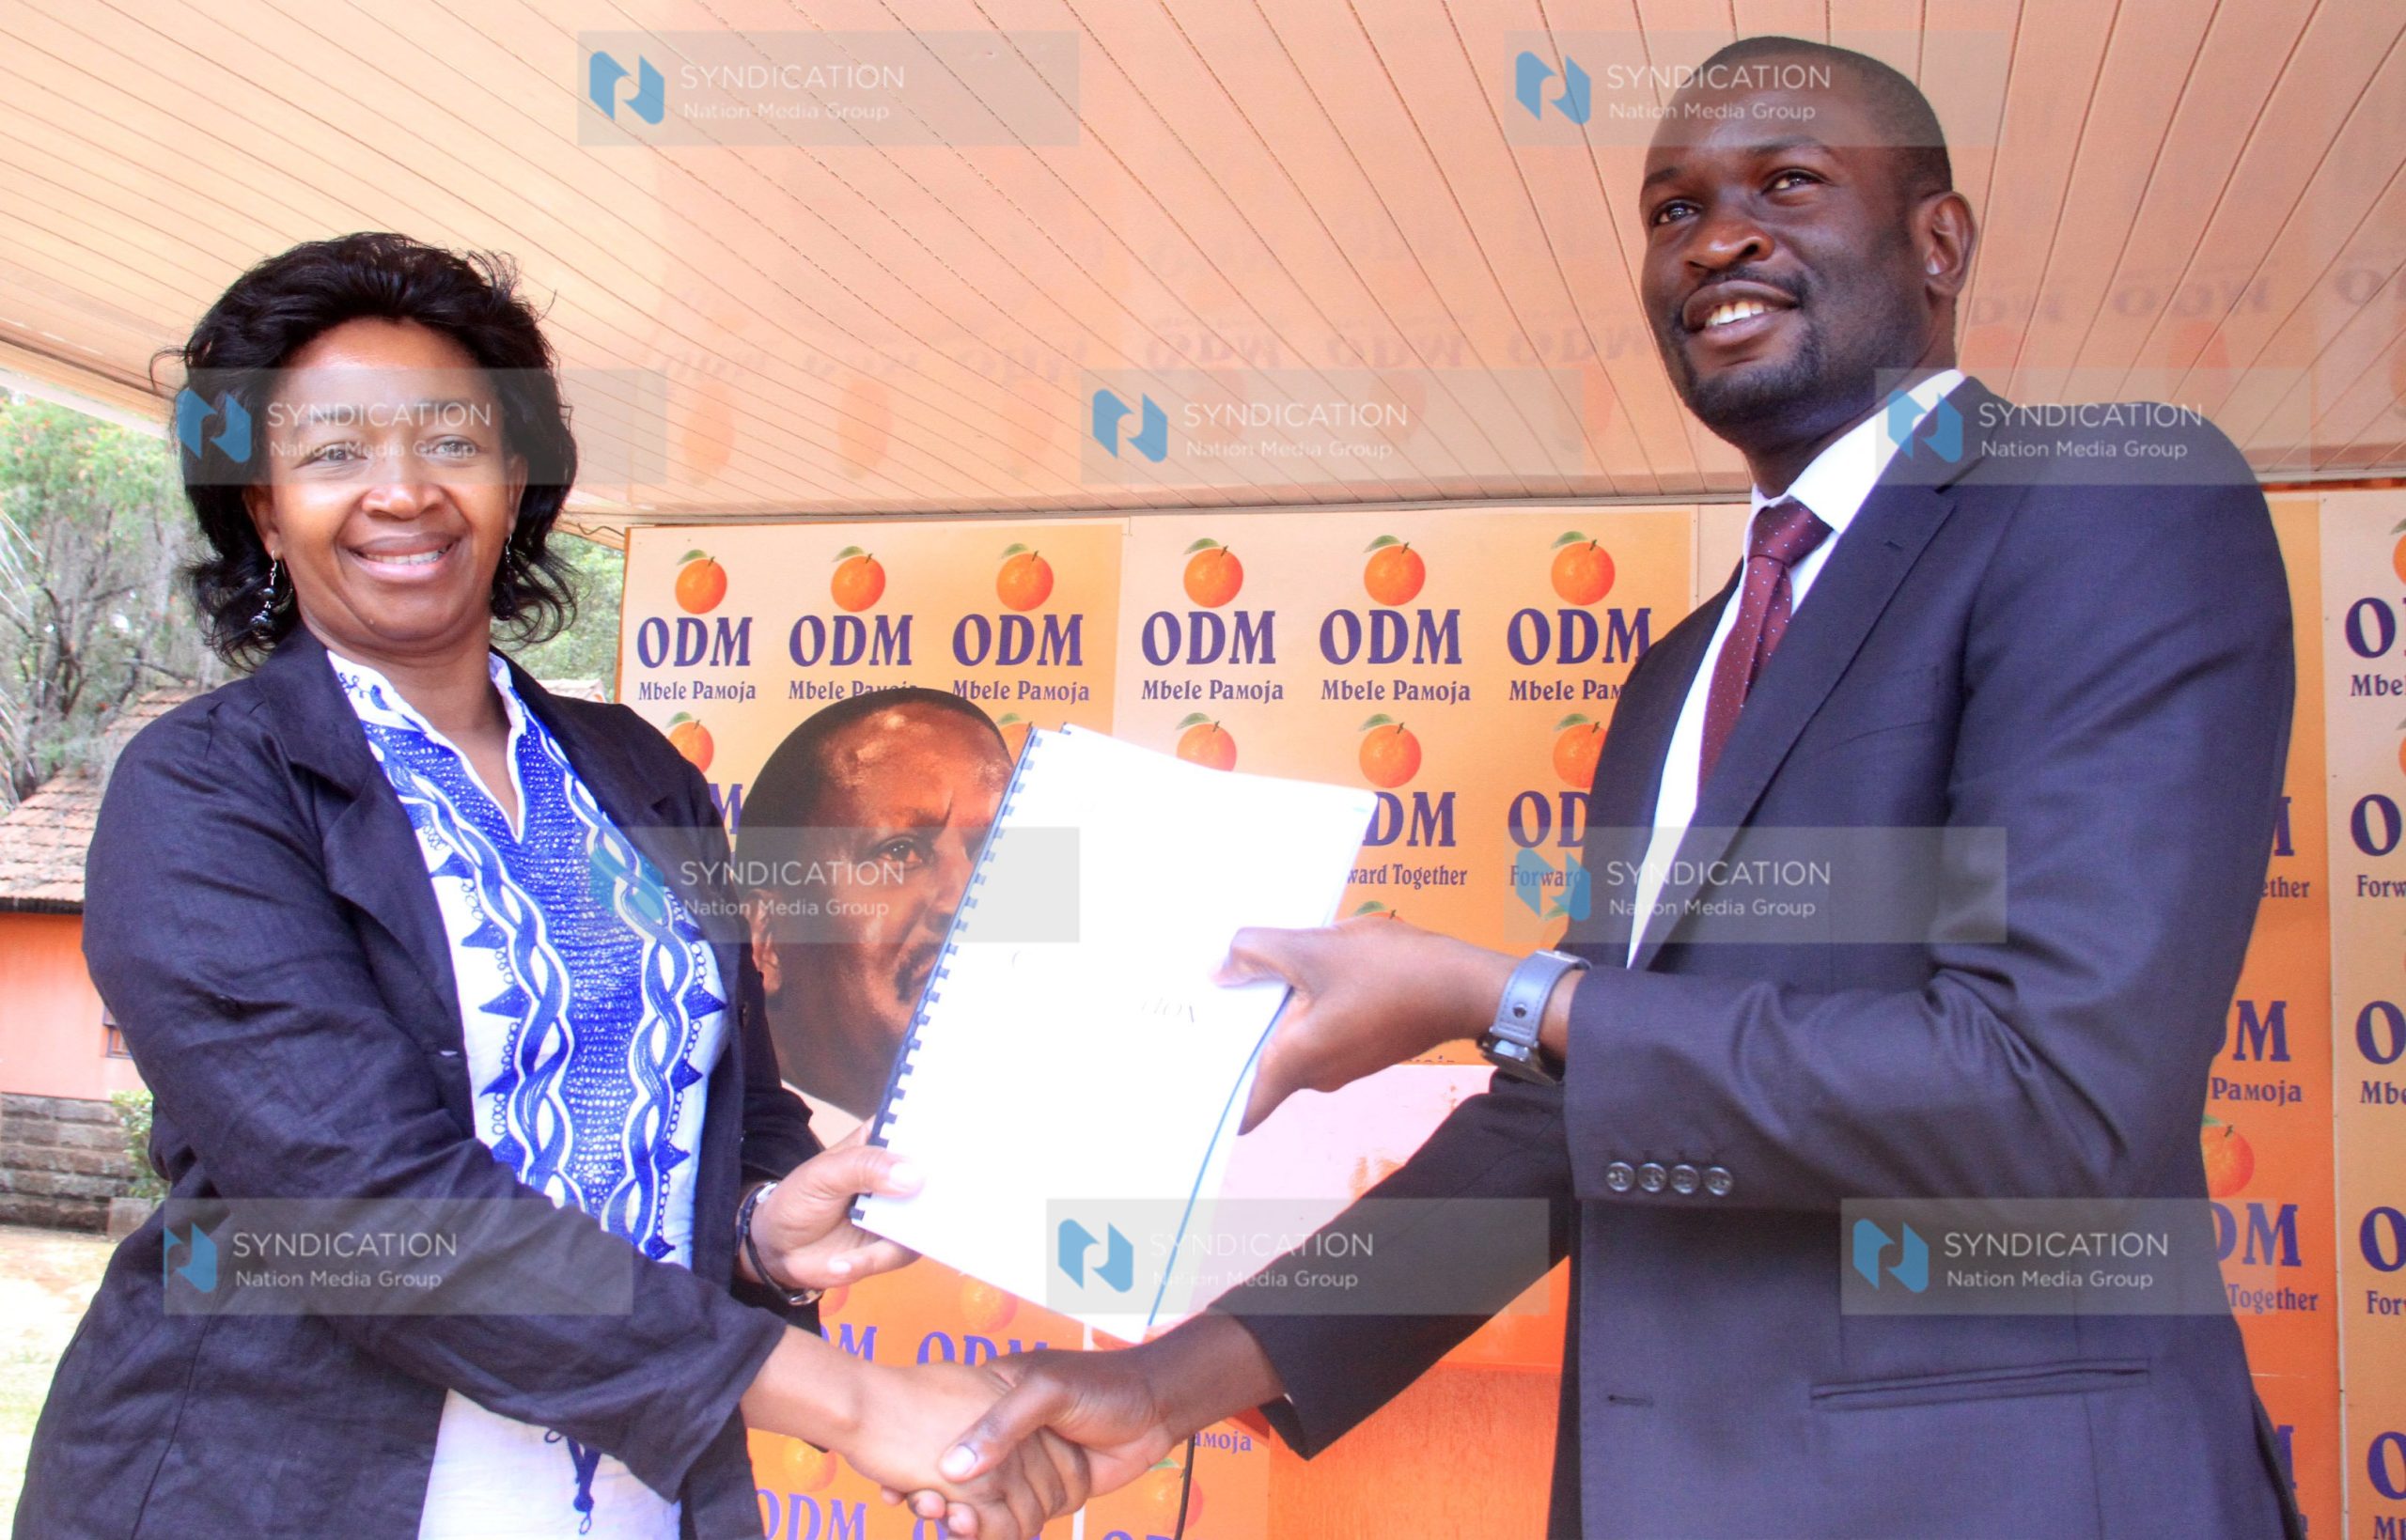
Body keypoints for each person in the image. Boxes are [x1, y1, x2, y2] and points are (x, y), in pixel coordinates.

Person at [929, 37, 2307, 1539]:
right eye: (1671, 210)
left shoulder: (2110, 506)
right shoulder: (1680, 673)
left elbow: (2055, 1091)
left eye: (1786, 181)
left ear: (1939, 239)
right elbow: (1557, 1127)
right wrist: (1165, 1383)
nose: (1717, 236)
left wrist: (1499, 987)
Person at [15, 234, 1082, 1540]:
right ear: (259, 500)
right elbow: (367, 1204)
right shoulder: (208, 790)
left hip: (629, 1501)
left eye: (451, 440)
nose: (400, 492)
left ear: (516, 474)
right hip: (274, 1483)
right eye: (333, 450)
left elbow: (728, 1111)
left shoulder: (641, 776)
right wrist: (855, 1403)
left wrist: (757, 1227)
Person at [737, 690, 1012, 1121]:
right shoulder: (677, 1171)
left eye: (995, 852)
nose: (965, 900)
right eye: (901, 852)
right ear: (767, 940)